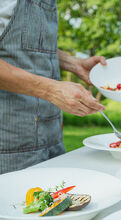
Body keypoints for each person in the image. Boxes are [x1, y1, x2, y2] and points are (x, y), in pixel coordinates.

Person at [0, 0, 105, 174]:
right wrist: (51, 90)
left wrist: (73, 63)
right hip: (8, 146)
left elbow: (24, 44)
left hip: (52, 138)